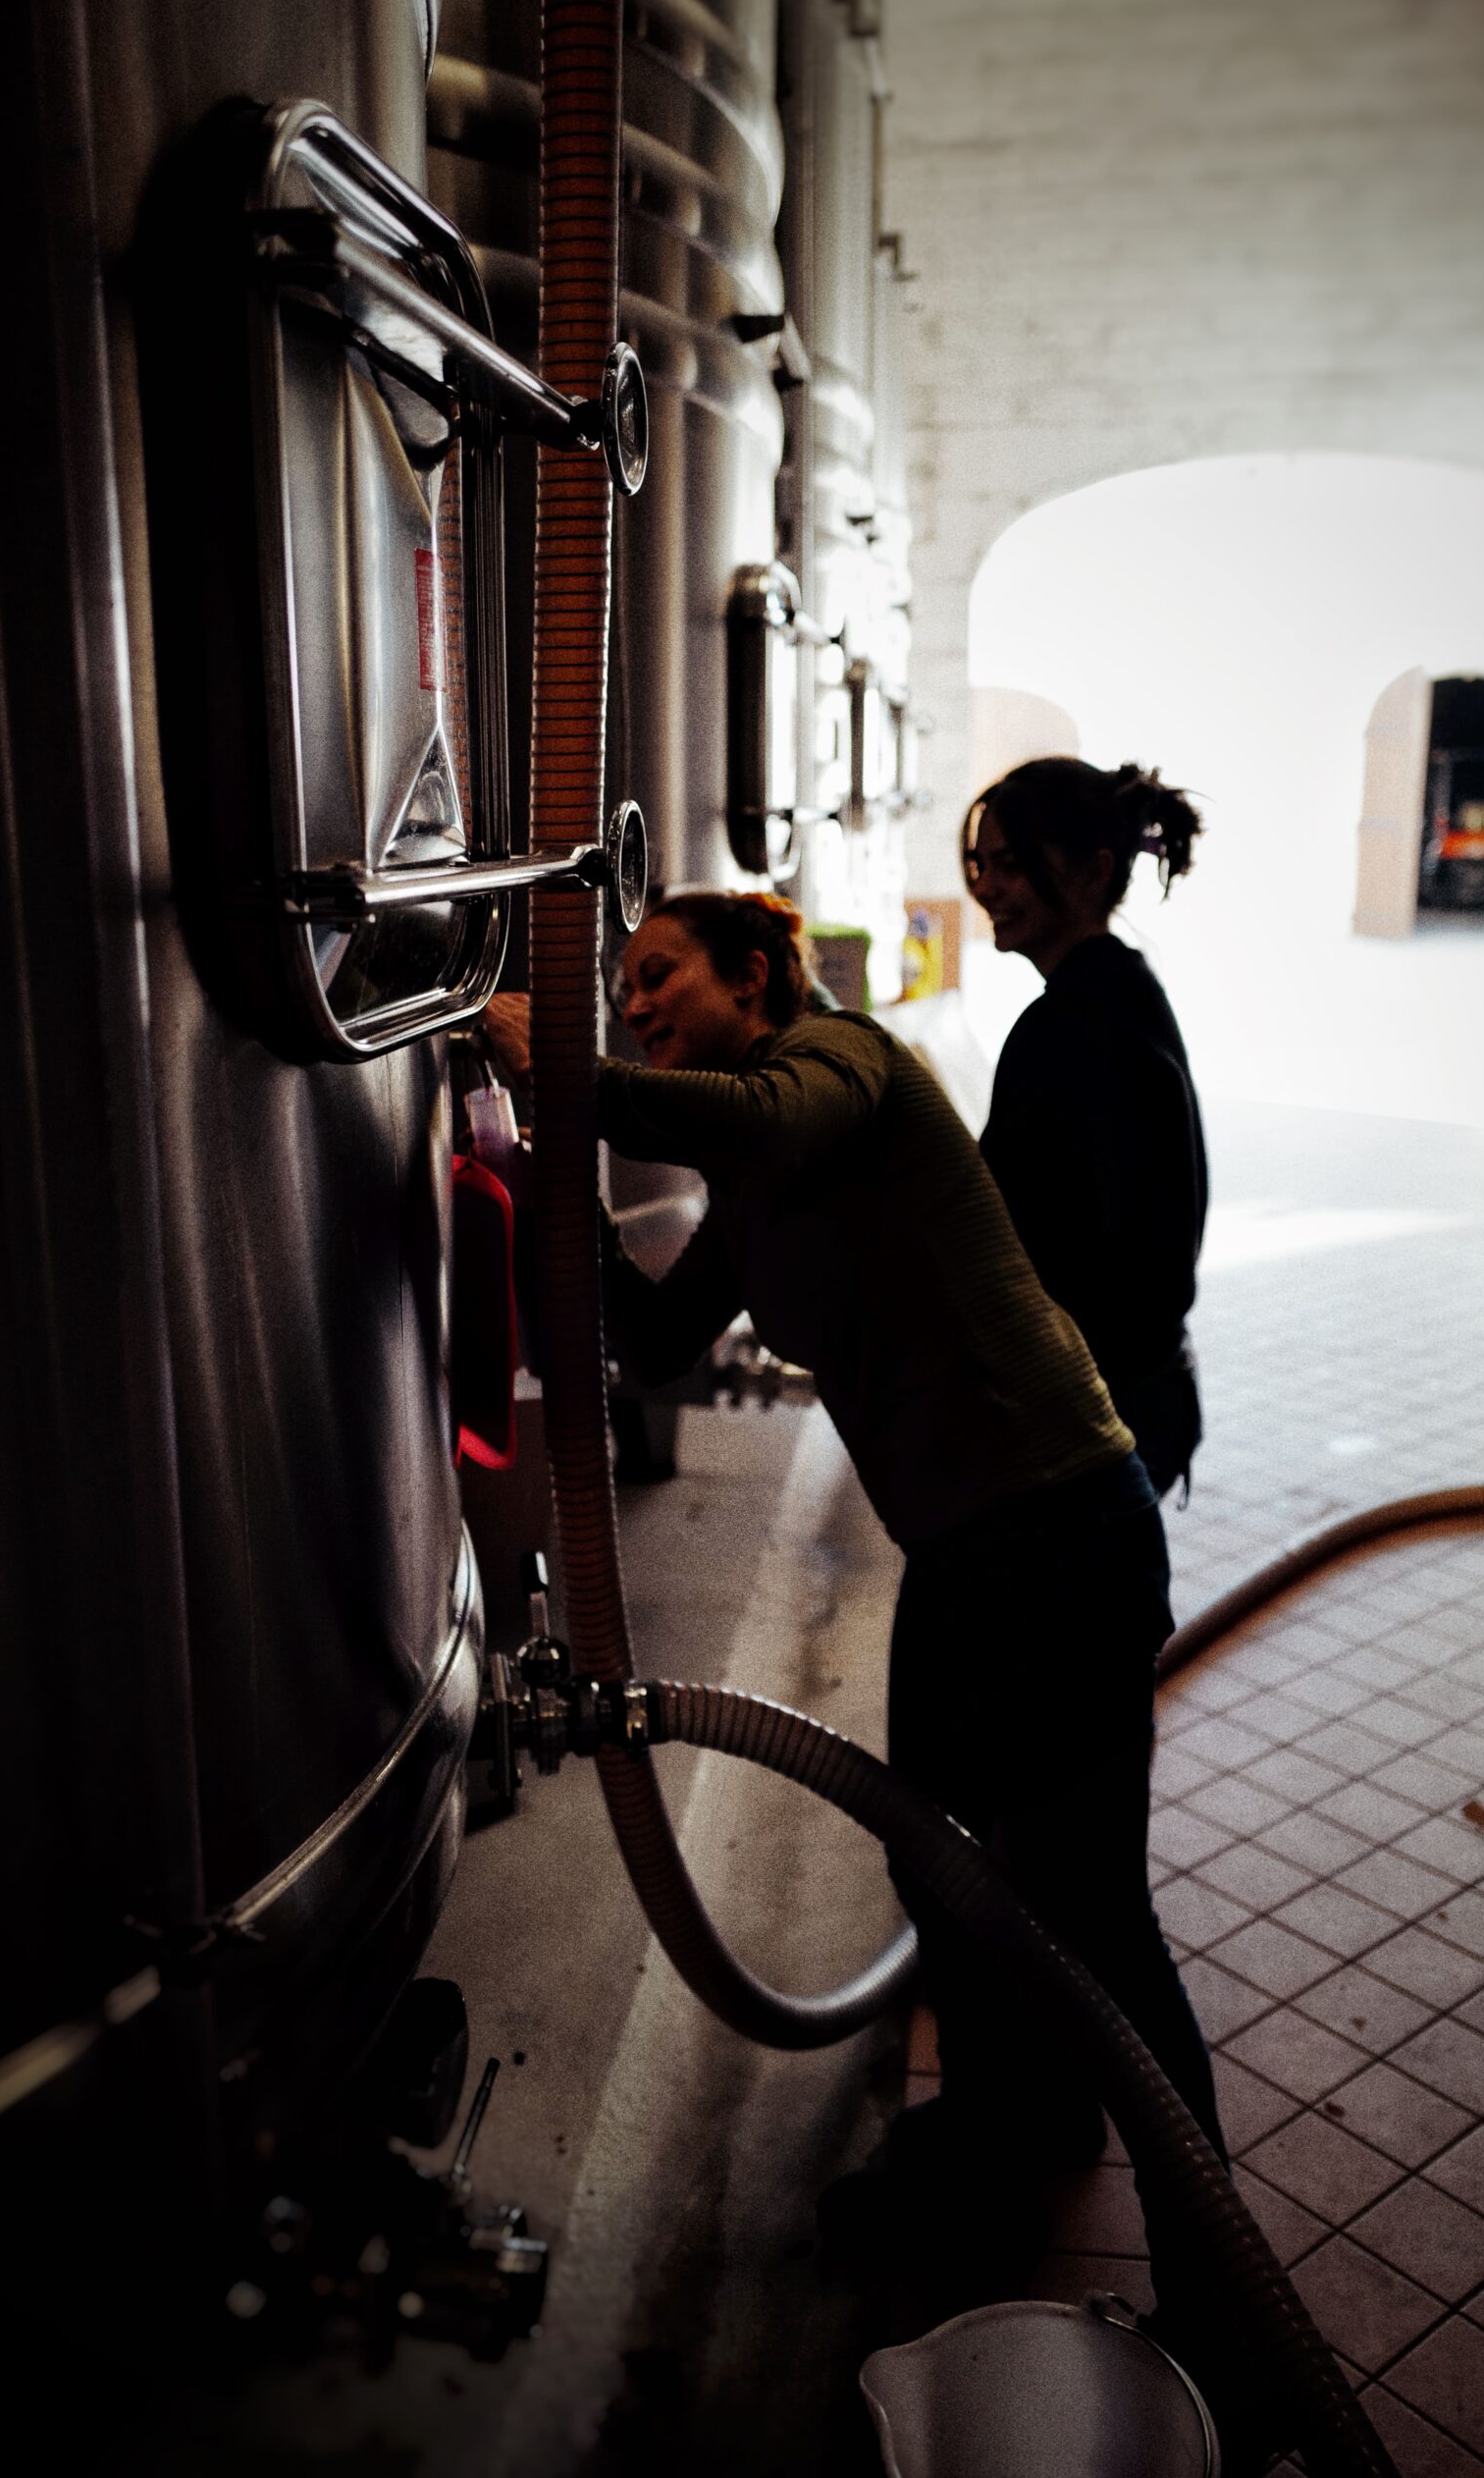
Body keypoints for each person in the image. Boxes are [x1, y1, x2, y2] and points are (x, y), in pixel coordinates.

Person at [483, 889, 1224, 2282]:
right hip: (962, 1551)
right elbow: (657, 1340)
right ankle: (1014, 2125)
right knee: (937, 1854)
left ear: (757, 979)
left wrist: (568, 1077)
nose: (633, 1003)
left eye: (659, 974)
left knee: (1091, 1908)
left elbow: (770, 1119)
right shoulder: (748, 1189)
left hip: (1060, 1525)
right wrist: (541, 1188)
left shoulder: (845, 1063)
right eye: (623, 987)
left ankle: (1212, 2279)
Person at [964, 759, 1207, 1499]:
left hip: (1091, 1420)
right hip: (1140, 1398)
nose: (986, 888)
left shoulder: (1071, 1024)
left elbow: (1023, 1243)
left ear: (1094, 871)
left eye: (1011, 865)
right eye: (981, 865)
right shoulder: (1120, 990)